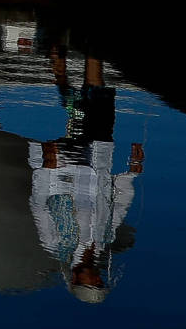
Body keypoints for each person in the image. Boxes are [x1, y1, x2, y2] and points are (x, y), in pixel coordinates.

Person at [29, 49, 143, 303]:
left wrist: (47, 168)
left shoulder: (55, 244)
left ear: (77, 279)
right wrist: (132, 171)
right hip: (99, 157)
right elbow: (118, 203)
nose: (99, 279)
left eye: (94, 284)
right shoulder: (104, 241)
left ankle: (60, 64)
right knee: (100, 99)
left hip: (66, 163)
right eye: (100, 283)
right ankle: (92, 48)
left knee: (77, 106)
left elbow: (40, 205)